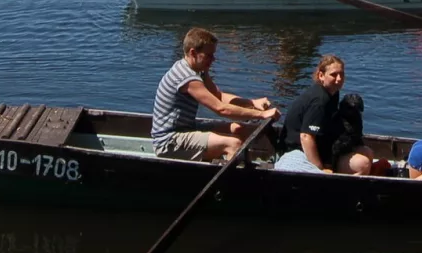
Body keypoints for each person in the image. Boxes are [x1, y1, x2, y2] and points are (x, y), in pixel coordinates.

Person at [151, 27, 278, 161]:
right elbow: (221, 108)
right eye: (209, 55)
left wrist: (251, 103)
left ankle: (255, 164)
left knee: (238, 129)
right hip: (169, 142)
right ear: (193, 53)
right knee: (232, 144)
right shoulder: (186, 78)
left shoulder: (198, 70)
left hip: (186, 129)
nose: (213, 59)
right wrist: (262, 114)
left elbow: (219, 96)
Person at [273, 55, 373, 174]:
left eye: (342, 74)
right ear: (321, 75)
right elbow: (306, 137)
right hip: (298, 150)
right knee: (363, 164)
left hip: (323, 145)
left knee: (367, 152)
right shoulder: (319, 101)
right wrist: (320, 169)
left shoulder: (333, 93)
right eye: (334, 75)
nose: (339, 79)